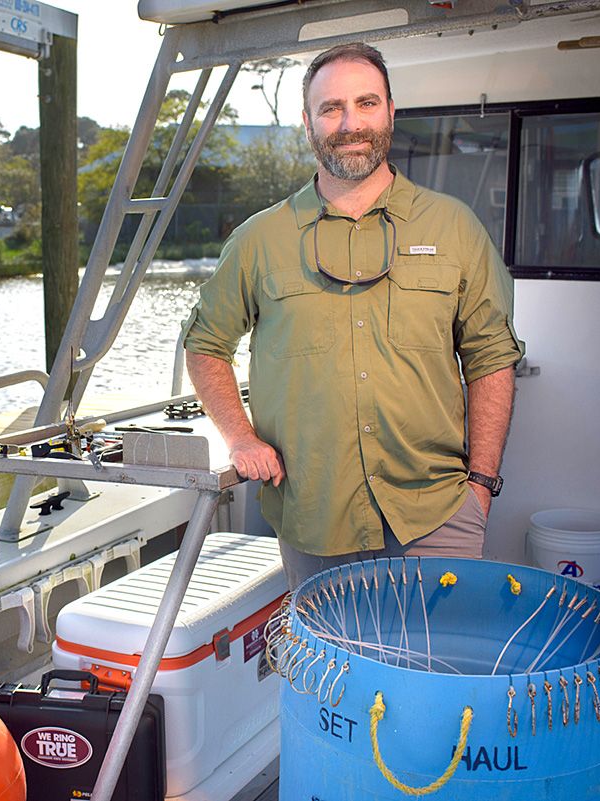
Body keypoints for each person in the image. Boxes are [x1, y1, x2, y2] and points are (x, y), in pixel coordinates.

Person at [182, 42, 524, 589]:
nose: (350, 123)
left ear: (391, 111)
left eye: (366, 103)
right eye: (331, 108)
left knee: (436, 671)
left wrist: (481, 486)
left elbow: (492, 358)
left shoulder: (455, 228)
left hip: (436, 514)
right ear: (308, 122)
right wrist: (239, 439)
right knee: (334, 674)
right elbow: (204, 343)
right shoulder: (259, 239)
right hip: (314, 517)